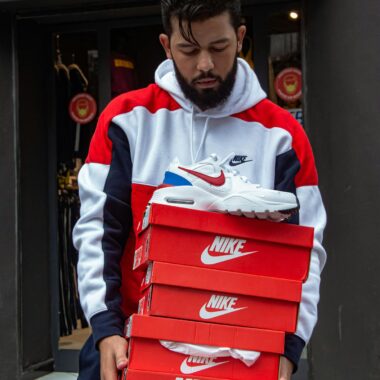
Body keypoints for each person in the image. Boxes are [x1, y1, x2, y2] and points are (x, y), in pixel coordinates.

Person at [73, 1, 327, 379]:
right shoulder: (127, 120)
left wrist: (288, 349)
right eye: (189, 50)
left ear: (240, 38)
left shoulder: (282, 136)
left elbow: (305, 252)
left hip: (241, 353)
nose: (204, 64)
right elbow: (97, 232)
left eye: (218, 47)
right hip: (133, 343)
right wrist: (106, 329)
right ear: (166, 45)